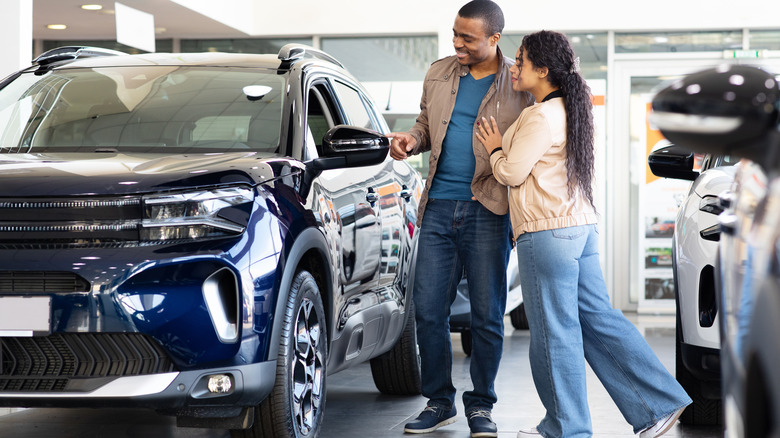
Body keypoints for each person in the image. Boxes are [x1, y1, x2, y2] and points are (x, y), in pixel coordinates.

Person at [475, 30, 692, 438]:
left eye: (520, 60)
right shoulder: (570, 109)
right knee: (599, 320)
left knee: (554, 333)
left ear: (543, 69)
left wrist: (494, 149)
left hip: (547, 233)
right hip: (579, 229)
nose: (514, 67)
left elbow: (511, 172)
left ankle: (566, 428)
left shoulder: (540, 116)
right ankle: (660, 403)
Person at [387, 1, 534, 437]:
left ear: (494, 39)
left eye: (467, 37)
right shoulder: (438, 73)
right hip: (436, 208)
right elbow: (425, 127)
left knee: (487, 315)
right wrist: (411, 141)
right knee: (428, 310)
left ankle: (481, 405)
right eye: (455, 34)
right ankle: (439, 401)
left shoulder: (518, 84)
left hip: (488, 209)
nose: (457, 44)